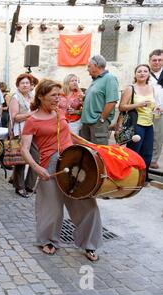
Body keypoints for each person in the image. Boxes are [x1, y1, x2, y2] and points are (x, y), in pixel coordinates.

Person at [21, 79, 103, 262]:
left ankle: (89, 243)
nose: (58, 99)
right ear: (41, 96)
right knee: (51, 208)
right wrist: (36, 168)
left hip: (72, 161)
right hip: (49, 166)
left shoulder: (60, 113)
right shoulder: (32, 120)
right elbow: (24, 149)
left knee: (87, 203)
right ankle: (49, 240)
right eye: (53, 95)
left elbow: (69, 134)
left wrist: (91, 146)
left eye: (59, 95)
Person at [119, 64, 160, 182]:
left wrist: (156, 109)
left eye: (145, 71)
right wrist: (138, 104)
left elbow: (153, 106)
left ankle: (143, 178)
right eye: (139, 71)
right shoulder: (130, 88)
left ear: (148, 74)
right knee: (133, 153)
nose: (142, 73)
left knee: (147, 154)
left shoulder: (152, 88)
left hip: (149, 125)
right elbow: (121, 107)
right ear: (135, 74)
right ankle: (129, 178)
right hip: (136, 125)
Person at [8, 73, 38, 198]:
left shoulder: (32, 97)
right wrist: (30, 114)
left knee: (36, 158)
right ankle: (19, 187)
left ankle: (29, 185)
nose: (25, 85)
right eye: (22, 83)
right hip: (20, 132)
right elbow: (15, 117)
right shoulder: (15, 97)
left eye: (27, 83)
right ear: (18, 85)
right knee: (20, 160)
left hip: (34, 131)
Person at [80, 55, 119, 145]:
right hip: (87, 122)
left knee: (99, 152)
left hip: (97, 123)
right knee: (87, 153)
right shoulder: (95, 80)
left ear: (96, 65)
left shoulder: (109, 78)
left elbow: (112, 101)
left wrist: (102, 119)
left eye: (89, 66)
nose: (87, 69)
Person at [148, 49, 163, 169]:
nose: (157, 62)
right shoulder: (144, 72)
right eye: (154, 60)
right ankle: (142, 157)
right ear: (150, 61)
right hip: (145, 110)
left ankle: (153, 159)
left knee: (158, 135)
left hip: (161, 110)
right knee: (144, 134)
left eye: (160, 60)